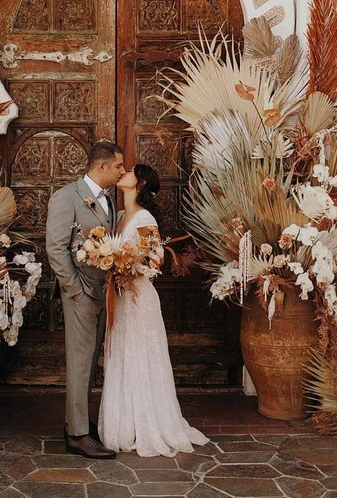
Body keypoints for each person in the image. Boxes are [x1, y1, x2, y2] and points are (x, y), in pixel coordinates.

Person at [98, 164, 209, 457]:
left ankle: (148, 425)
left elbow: (155, 260)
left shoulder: (144, 218)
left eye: (129, 171)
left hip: (138, 300)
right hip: (121, 299)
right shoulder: (121, 216)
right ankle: (125, 425)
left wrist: (127, 268)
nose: (122, 173)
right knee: (122, 355)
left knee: (140, 356)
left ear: (142, 181)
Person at [45, 141, 125, 459]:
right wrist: (74, 289)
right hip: (80, 294)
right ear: (101, 166)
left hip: (103, 293)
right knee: (80, 362)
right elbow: (56, 247)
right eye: (118, 166)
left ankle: (77, 421)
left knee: (90, 361)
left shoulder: (109, 200)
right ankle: (77, 435)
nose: (123, 171)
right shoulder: (65, 197)